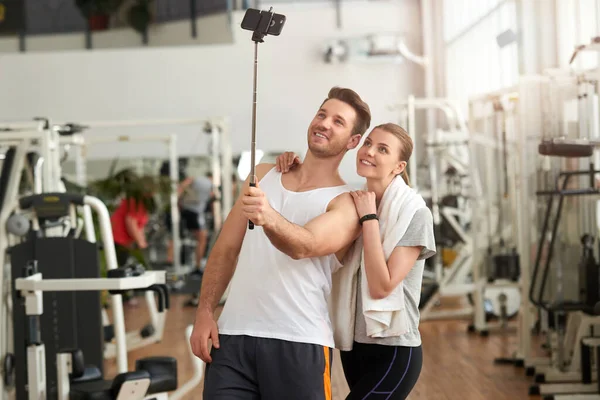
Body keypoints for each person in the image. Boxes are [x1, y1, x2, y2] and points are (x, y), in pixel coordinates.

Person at [189, 86, 372, 400]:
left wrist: (266, 214)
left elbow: (304, 245)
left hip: (300, 343)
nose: (325, 123)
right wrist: (204, 311)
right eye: (322, 114)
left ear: (353, 142)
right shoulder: (264, 175)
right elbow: (226, 249)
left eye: (338, 122)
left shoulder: (346, 204)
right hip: (232, 339)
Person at [275, 123, 436, 399]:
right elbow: (309, 228)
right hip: (355, 346)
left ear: (398, 167)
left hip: (395, 349)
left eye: (382, 149)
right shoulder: (350, 201)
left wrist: (369, 218)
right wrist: (295, 168)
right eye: (369, 143)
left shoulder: (415, 214)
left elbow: (381, 286)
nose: (369, 152)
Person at [165, 172, 213, 278]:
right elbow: (185, 184)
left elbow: (184, 185)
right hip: (193, 212)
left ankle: (169, 261)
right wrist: (178, 195)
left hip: (184, 210)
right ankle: (197, 266)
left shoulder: (198, 179)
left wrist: (178, 197)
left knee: (176, 235)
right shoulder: (206, 181)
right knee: (202, 238)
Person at [111, 196, 149, 267]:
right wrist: (140, 242)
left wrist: (142, 241)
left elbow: (140, 225)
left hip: (125, 242)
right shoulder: (136, 201)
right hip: (119, 239)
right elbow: (131, 222)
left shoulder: (142, 203)